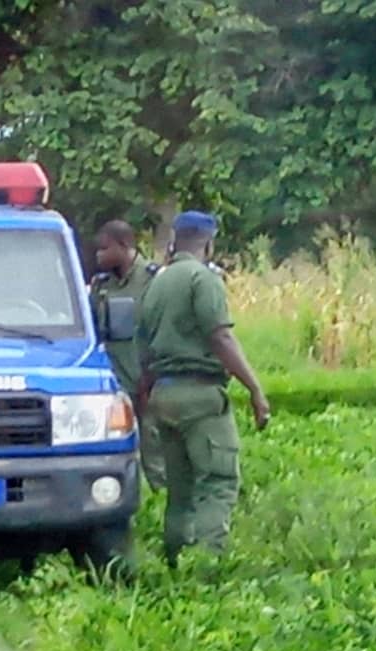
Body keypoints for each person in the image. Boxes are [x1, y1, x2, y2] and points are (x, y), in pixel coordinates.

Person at [135, 211, 270, 569]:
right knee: (218, 481)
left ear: (175, 241)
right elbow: (220, 336)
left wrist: (146, 399)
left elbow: (143, 351)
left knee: (180, 490)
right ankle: (208, 567)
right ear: (208, 243)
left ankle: (175, 561)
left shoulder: (155, 285)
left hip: (163, 397)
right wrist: (255, 389)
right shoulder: (203, 279)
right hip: (201, 396)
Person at [89, 219, 167, 491]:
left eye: (104, 249)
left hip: (147, 381)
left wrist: (152, 378)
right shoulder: (100, 286)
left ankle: (158, 499)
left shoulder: (153, 280)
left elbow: (162, 330)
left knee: (154, 448)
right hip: (114, 383)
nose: (98, 255)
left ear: (124, 246)